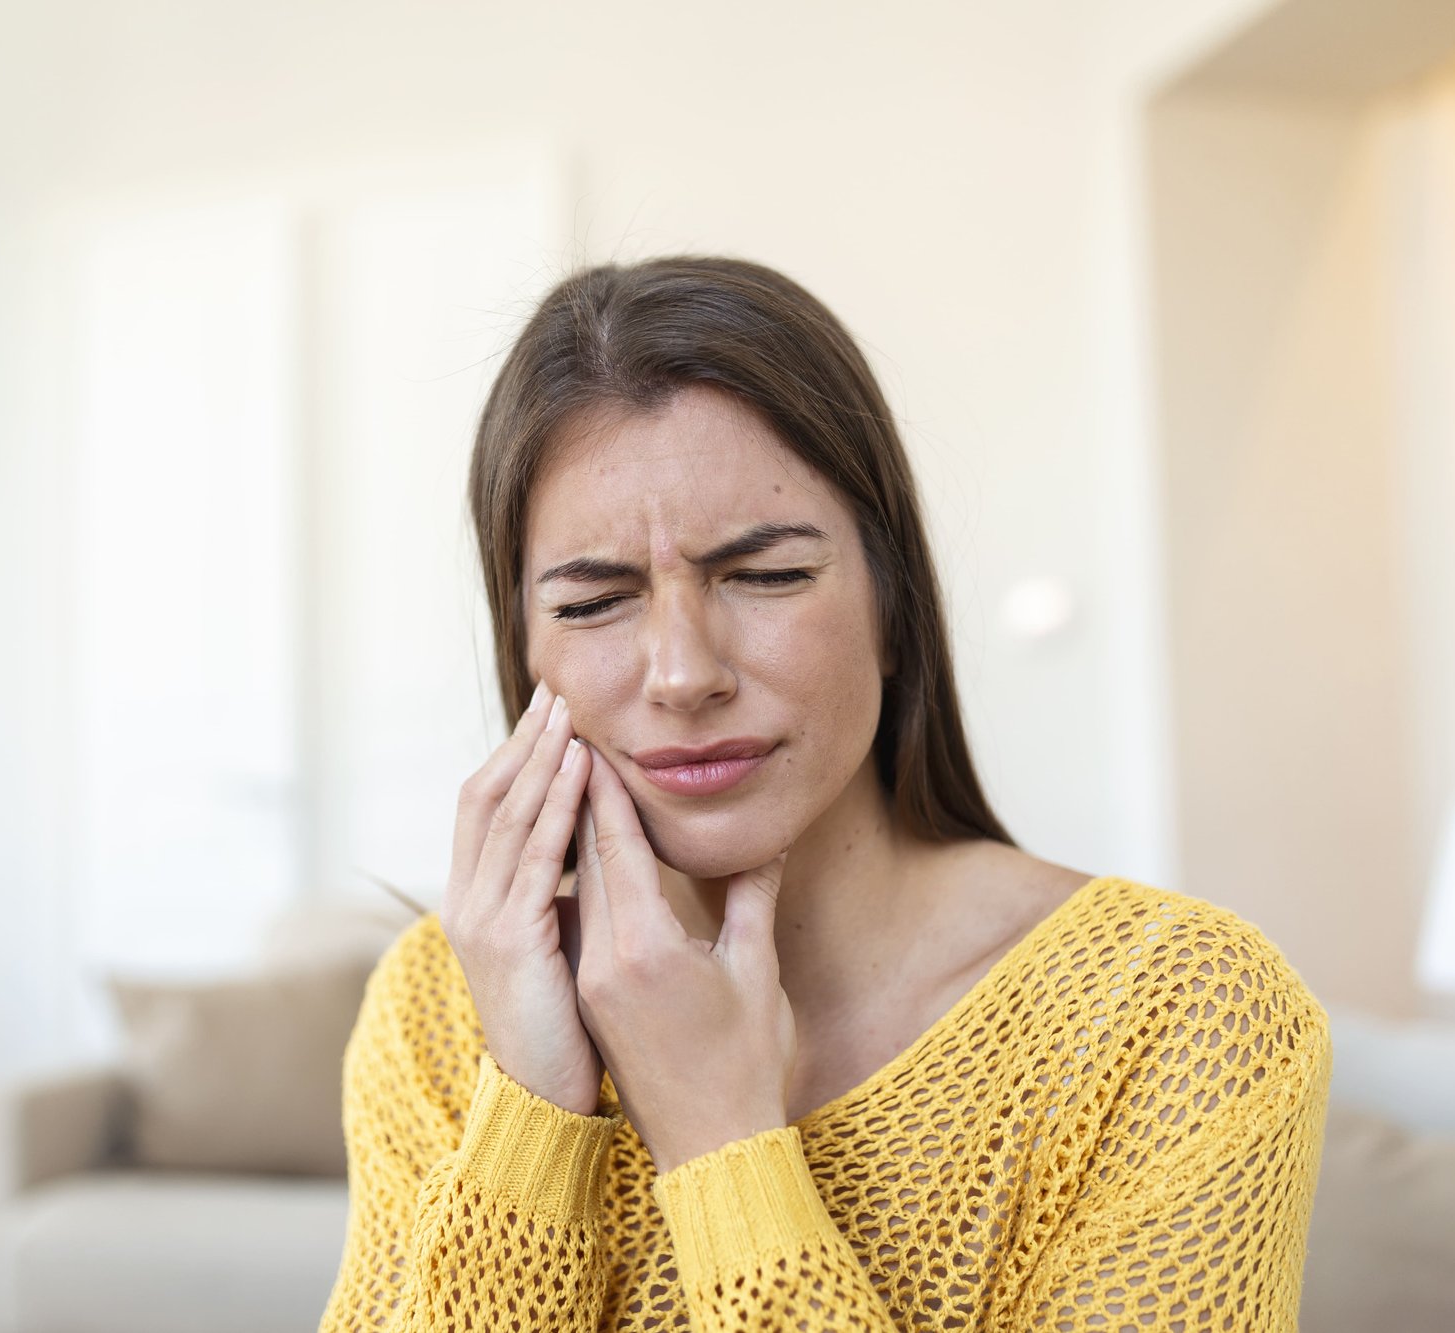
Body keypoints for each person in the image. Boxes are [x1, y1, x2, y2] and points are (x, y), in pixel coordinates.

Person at [317, 255, 1333, 1333]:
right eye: (597, 599)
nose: (681, 671)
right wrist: (528, 1114)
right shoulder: (438, 1007)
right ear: (526, 656)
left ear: (893, 608)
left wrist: (719, 1141)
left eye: (765, 576)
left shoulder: (1177, 1013)